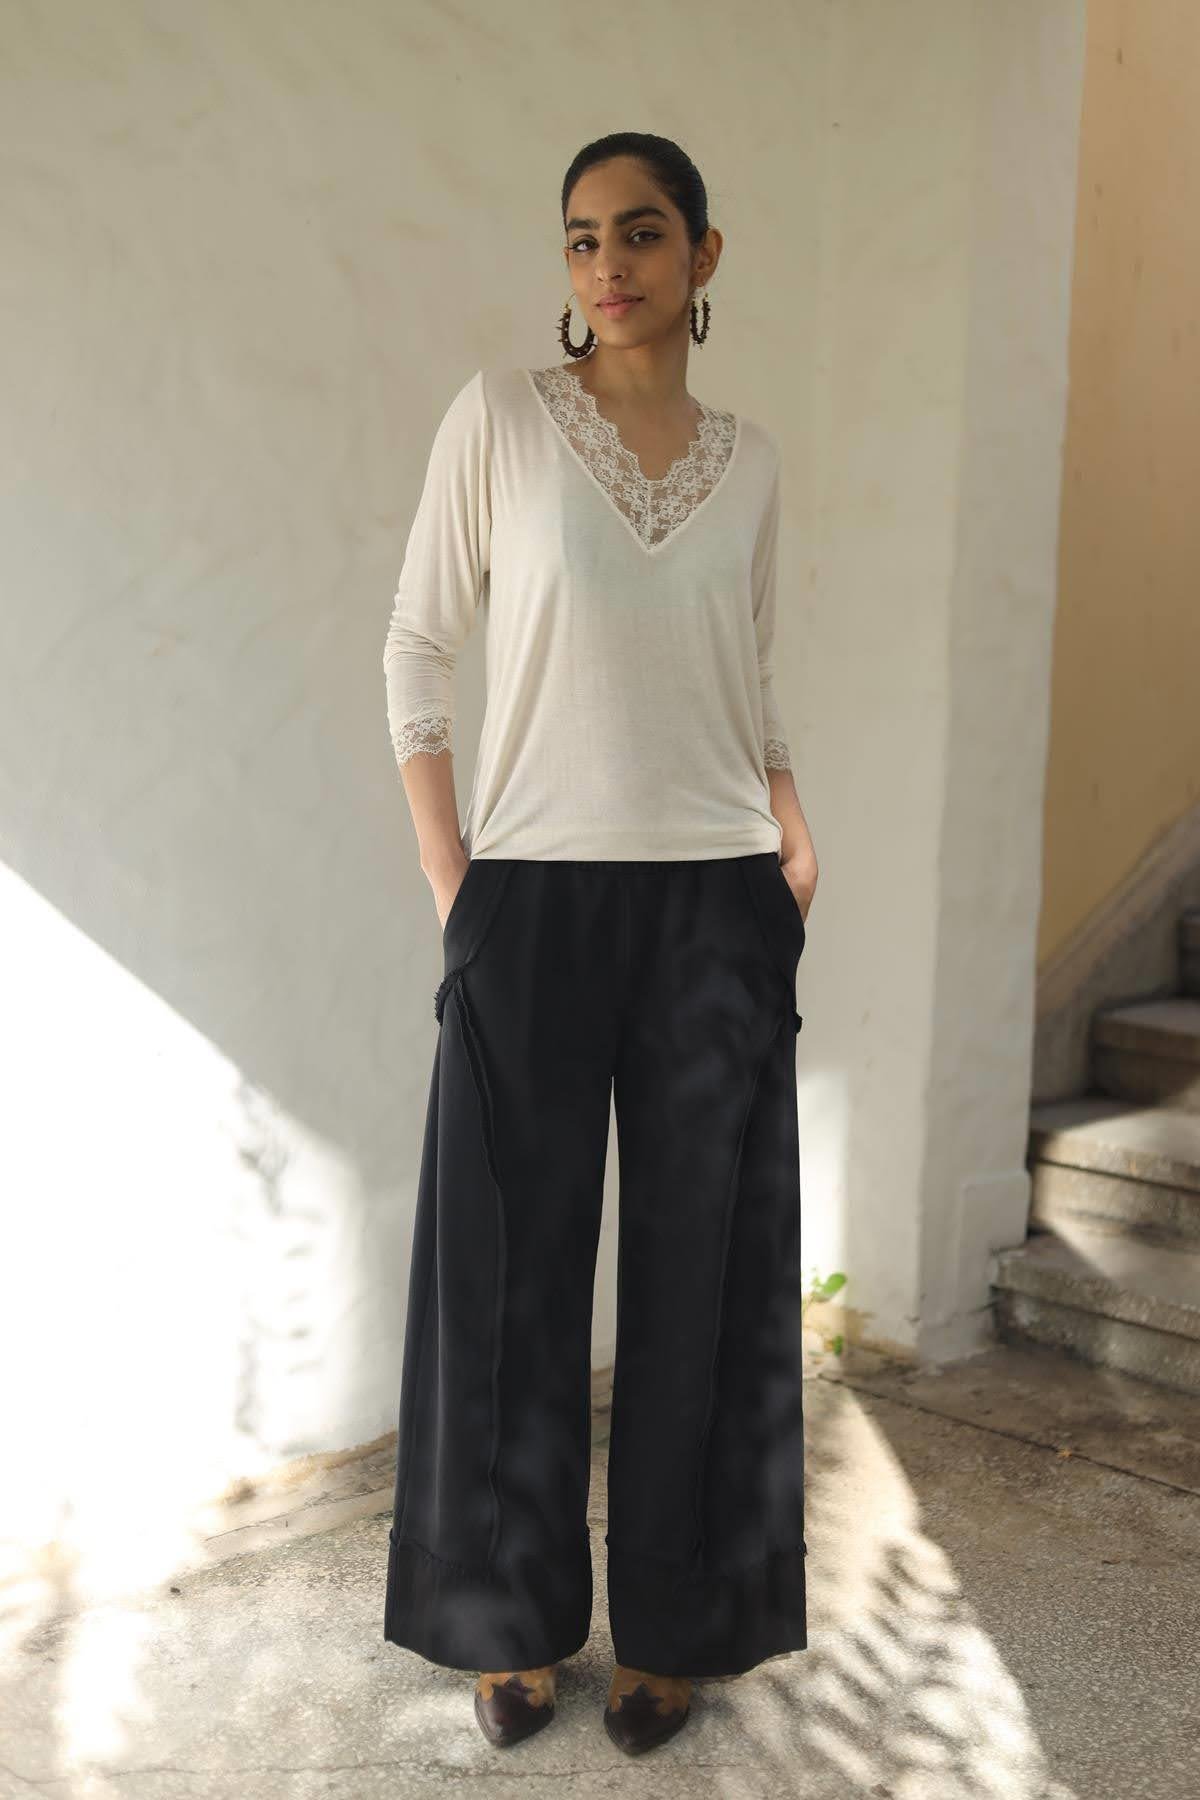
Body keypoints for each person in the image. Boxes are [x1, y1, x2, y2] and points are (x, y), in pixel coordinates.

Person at [381, 131, 819, 1758]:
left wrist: (791, 821)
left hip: (717, 893)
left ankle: (681, 1627)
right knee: (506, 1276)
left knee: (708, 1279)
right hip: (533, 899)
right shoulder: (500, 420)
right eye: (580, 239)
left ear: (704, 254)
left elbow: (749, 678)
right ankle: (504, 1621)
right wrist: (455, 875)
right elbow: (416, 643)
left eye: (640, 233)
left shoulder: (752, 463)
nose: (607, 265)